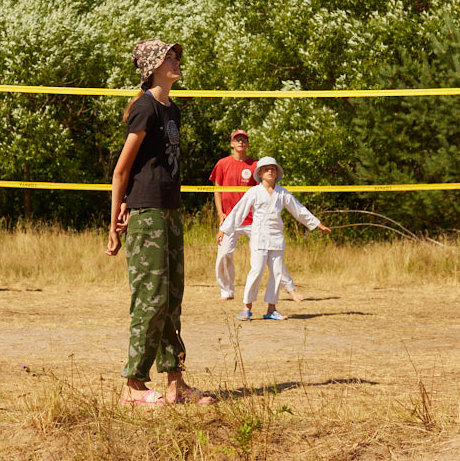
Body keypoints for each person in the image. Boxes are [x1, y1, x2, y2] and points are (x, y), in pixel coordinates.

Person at [105, 39, 213, 406]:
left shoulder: (172, 110)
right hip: (147, 213)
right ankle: (133, 386)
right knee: (150, 299)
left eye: (177, 55)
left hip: (170, 210)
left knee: (171, 299)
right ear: (152, 66)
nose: (176, 61)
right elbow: (121, 171)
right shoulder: (145, 108)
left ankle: (175, 384)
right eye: (169, 56)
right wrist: (115, 222)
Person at [217, 156, 330, 321]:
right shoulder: (254, 192)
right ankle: (246, 307)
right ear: (260, 173)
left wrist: (317, 223)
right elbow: (238, 211)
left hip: (276, 237)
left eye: (273, 169)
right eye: (266, 169)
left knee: (276, 273)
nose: (270, 171)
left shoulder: (282, 193)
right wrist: (224, 230)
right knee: (257, 271)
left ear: (277, 173)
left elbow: (298, 210)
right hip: (259, 237)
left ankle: (272, 309)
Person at [211, 130, 304, 302]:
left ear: (248, 144)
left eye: (244, 140)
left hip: (254, 220)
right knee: (223, 254)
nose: (241, 143)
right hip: (230, 219)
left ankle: (290, 289)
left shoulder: (255, 166)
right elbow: (217, 190)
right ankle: (226, 291)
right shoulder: (222, 164)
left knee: (272, 255)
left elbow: (265, 190)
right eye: (237, 140)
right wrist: (220, 213)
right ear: (232, 143)